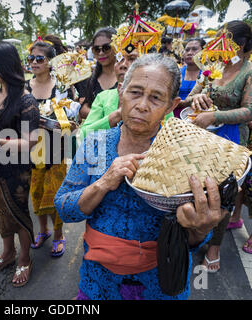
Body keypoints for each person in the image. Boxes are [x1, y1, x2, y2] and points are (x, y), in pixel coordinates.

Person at [54, 53, 226, 300]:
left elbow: (193, 240)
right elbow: (63, 209)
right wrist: (103, 183)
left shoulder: (184, 154)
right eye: (135, 92)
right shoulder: (95, 144)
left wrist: (201, 228)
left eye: (156, 98)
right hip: (98, 282)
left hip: (160, 284)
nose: (143, 105)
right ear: (121, 91)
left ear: (171, 105)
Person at [184, 21, 252, 272]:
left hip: (233, 140)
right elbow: (192, 96)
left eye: (225, 39)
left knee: (224, 194)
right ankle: (194, 235)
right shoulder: (213, 65)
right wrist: (197, 97)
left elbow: (250, 110)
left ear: (241, 44)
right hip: (204, 138)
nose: (218, 45)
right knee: (198, 187)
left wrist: (216, 117)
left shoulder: (248, 71)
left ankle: (214, 247)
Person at [0, 41, 40, 287]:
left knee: (17, 212)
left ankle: (25, 257)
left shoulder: (26, 100)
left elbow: (31, 144)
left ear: (6, 65)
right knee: (2, 212)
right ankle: (8, 253)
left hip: (16, 167)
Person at [25, 41, 74, 257]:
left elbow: (71, 115)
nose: (34, 62)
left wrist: (70, 123)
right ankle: (43, 230)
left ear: (50, 62)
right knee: (36, 191)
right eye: (31, 58)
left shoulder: (61, 87)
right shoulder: (24, 88)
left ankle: (58, 234)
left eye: (40, 59)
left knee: (56, 192)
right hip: (33, 147)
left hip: (57, 146)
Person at [78, 27, 118, 121]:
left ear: (116, 47)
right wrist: (106, 116)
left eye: (106, 48)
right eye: (96, 49)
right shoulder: (92, 79)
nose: (101, 53)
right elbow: (83, 109)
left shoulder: (127, 76)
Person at [173, 38, 205, 118]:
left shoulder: (209, 74)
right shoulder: (176, 72)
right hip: (174, 117)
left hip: (199, 117)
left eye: (194, 49)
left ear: (204, 52)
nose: (190, 53)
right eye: (187, 50)